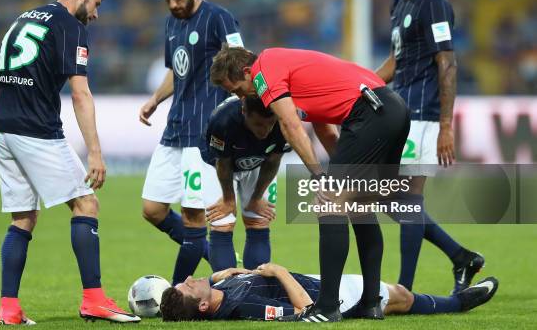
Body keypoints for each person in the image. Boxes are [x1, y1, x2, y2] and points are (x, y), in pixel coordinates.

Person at [210, 45, 410, 322]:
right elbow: (325, 129)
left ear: (247, 71)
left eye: (238, 89)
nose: (240, 97)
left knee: (330, 207)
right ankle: (371, 303)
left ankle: (327, 307)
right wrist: (338, 172)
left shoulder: (264, 70)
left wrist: (321, 178)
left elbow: (289, 125)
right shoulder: (290, 72)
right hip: (392, 109)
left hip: (369, 114)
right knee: (361, 208)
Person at [0, 0, 139, 324]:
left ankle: (8, 308)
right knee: (86, 203)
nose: (96, 13)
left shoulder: (24, 16)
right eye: (96, 4)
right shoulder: (71, 26)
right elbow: (80, 93)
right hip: (35, 130)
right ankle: (94, 299)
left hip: (2, 129)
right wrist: (96, 153)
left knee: (24, 217)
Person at [377, 0, 484, 294]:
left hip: (423, 116)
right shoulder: (399, 4)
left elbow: (447, 64)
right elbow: (397, 60)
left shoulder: (433, 3)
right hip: (400, 114)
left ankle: (404, 289)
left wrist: (445, 127)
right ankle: (460, 255)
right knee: (387, 197)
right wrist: (363, 86)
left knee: (407, 201)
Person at [139, 0, 244, 285]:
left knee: (200, 216)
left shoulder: (218, 18)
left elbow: (242, 63)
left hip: (205, 133)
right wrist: (156, 99)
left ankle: (222, 287)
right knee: (152, 209)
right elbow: (176, 70)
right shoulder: (172, 25)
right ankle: (217, 261)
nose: (173, 4)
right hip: (175, 127)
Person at [160, 262, 498, 321]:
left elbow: (221, 279)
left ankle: (454, 299)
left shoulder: (218, 289)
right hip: (328, 296)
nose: (191, 277)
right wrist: (277, 271)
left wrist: (228, 273)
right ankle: (459, 302)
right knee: (400, 298)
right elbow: (305, 311)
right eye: (188, 285)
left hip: (316, 279)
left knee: (396, 295)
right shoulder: (242, 307)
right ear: (203, 306)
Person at [202, 96, 291, 271]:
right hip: (216, 164)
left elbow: (273, 161)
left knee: (258, 220)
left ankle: (254, 290)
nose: (265, 131)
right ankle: (228, 291)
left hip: (259, 162)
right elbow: (223, 163)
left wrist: (256, 198)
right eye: (258, 124)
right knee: (222, 223)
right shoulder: (223, 121)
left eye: (269, 124)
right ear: (244, 112)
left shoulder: (285, 119)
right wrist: (228, 199)